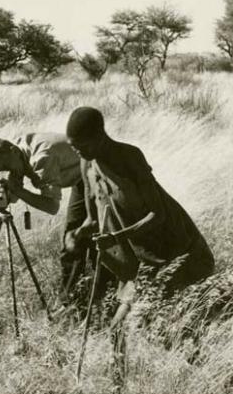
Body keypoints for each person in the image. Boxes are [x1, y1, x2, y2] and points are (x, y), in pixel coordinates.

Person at [64, 107, 215, 297]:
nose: (78, 152)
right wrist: (76, 234)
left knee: (173, 310)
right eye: (73, 147)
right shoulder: (87, 163)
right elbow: (93, 220)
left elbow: (157, 215)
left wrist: (116, 238)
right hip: (135, 258)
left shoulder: (130, 157)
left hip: (171, 247)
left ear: (100, 136)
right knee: (123, 322)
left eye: (83, 146)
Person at [0, 132, 97, 303]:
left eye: (6, 167)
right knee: (73, 242)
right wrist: (3, 192)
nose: (8, 172)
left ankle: (94, 299)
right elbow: (13, 192)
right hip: (81, 178)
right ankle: (74, 303)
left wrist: (18, 190)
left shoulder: (43, 157)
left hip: (97, 174)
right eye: (1, 171)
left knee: (85, 239)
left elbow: (52, 206)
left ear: (13, 151)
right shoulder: (15, 153)